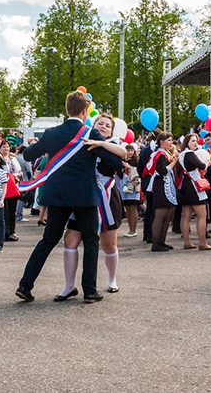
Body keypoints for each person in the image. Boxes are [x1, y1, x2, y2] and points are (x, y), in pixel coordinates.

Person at [15, 92, 122, 303]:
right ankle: (89, 290)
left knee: (48, 240)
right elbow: (116, 163)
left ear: (67, 109)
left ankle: (25, 285)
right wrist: (100, 145)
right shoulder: (90, 133)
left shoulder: (52, 133)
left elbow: (27, 156)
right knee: (91, 241)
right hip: (84, 196)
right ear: (85, 111)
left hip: (58, 196)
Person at [57, 113, 125, 299]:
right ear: (92, 125)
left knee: (108, 243)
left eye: (107, 125)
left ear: (111, 131)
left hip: (107, 198)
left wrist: (101, 144)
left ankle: (112, 280)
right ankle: (69, 286)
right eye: (99, 123)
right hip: (83, 197)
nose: (103, 127)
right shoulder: (81, 143)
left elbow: (124, 155)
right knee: (70, 239)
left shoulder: (114, 146)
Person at [176, 133, 211, 250]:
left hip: (185, 186)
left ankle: (187, 242)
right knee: (202, 215)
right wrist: (208, 163)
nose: (195, 143)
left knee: (185, 216)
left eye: (196, 141)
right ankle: (202, 243)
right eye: (193, 141)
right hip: (194, 187)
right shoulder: (190, 154)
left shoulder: (181, 154)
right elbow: (201, 166)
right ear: (187, 142)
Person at [147, 132, 180, 251]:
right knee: (160, 215)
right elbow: (162, 171)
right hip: (161, 187)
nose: (171, 143)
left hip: (166, 185)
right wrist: (174, 162)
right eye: (169, 140)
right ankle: (156, 244)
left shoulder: (165, 153)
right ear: (162, 142)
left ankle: (162, 241)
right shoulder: (160, 154)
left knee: (168, 214)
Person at [119, 145, 141, 237]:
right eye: (128, 150)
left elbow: (138, 172)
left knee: (133, 207)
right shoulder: (121, 160)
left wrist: (129, 167)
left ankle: (133, 230)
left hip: (133, 185)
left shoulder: (136, 161)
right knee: (127, 208)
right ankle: (129, 229)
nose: (130, 152)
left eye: (132, 150)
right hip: (123, 185)